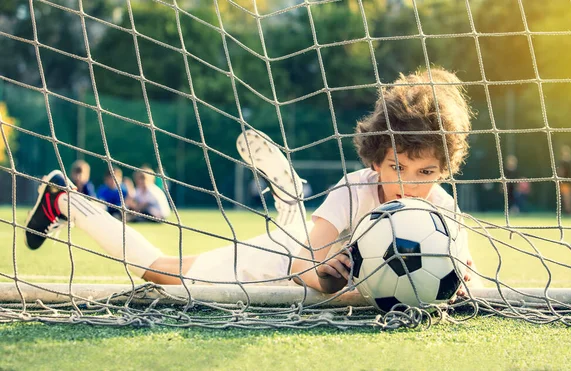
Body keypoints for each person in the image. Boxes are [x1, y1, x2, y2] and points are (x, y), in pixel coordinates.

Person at [24, 67, 480, 297]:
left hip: (302, 261)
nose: (410, 185)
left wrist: (458, 286)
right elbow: (305, 258)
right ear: (376, 159)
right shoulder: (353, 187)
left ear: (443, 172)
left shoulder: (438, 209)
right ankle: (64, 200)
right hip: (283, 262)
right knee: (164, 273)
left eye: (426, 174)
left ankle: (288, 200)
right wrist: (327, 274)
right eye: (397, 168)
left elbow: (466, 274)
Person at [557, 145, 571, 215]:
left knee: (567, 197)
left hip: (567, 182)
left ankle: (569, 211)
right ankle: (568, 211)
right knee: (566, 197)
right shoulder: (564, 161)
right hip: (564, 182)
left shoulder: (569, 161)